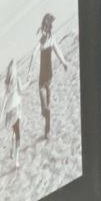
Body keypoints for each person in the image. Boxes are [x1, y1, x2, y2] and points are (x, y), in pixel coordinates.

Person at [36, 12, 70, 141]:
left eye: (47, 26)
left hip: (45, 78)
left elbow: (57, 51)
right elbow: (56, 50)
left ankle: (47, 131)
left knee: (45, 109)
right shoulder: (46, 40)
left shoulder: (46, 41)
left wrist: (64, 62)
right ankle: (47, 126)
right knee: (45, 108)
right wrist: (63, 62)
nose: (47, 28)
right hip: (47, 77)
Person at [1, 60, 24, 161]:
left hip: (9, 111)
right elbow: (21, 91)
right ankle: (17, 158)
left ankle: (11, 149)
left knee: (14, 131)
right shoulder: (17, 79)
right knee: (17, 132)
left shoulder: (7, 82)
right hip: (16, 108)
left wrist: (2, 112)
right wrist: (28, 82)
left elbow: (5, 97)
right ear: (14, 69)